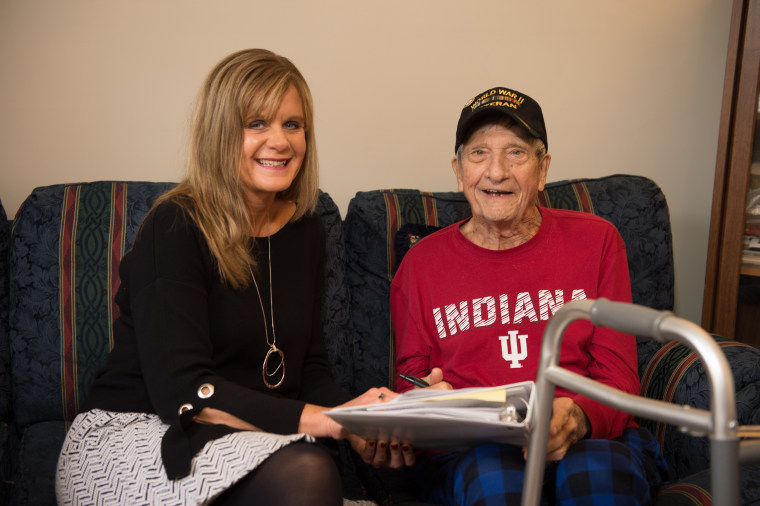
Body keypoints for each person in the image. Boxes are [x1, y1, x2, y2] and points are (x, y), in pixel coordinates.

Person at [55, 48, 414, 506]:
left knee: (311, 469)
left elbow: (309, 368)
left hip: (244, 433)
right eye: (256, 123)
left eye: (292, 124)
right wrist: (325, 421)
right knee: (307, 471)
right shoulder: (176, 226)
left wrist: (357, 419)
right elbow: (183, 392)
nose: (280, 141)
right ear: (220, 134)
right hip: (138, 431)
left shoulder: (307, 230)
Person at [391, 86, 669, 505]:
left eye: (516, 153)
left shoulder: (597, 241)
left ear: (543, 170)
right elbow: (409, 379)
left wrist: (576, 417)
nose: (496, 172)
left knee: (596, 477)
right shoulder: (420, 263)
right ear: (458, 169)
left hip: (587, 436)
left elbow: (618, 376)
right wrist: (428, 400)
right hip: (473, 448)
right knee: (494, 481)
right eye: (478, 153)